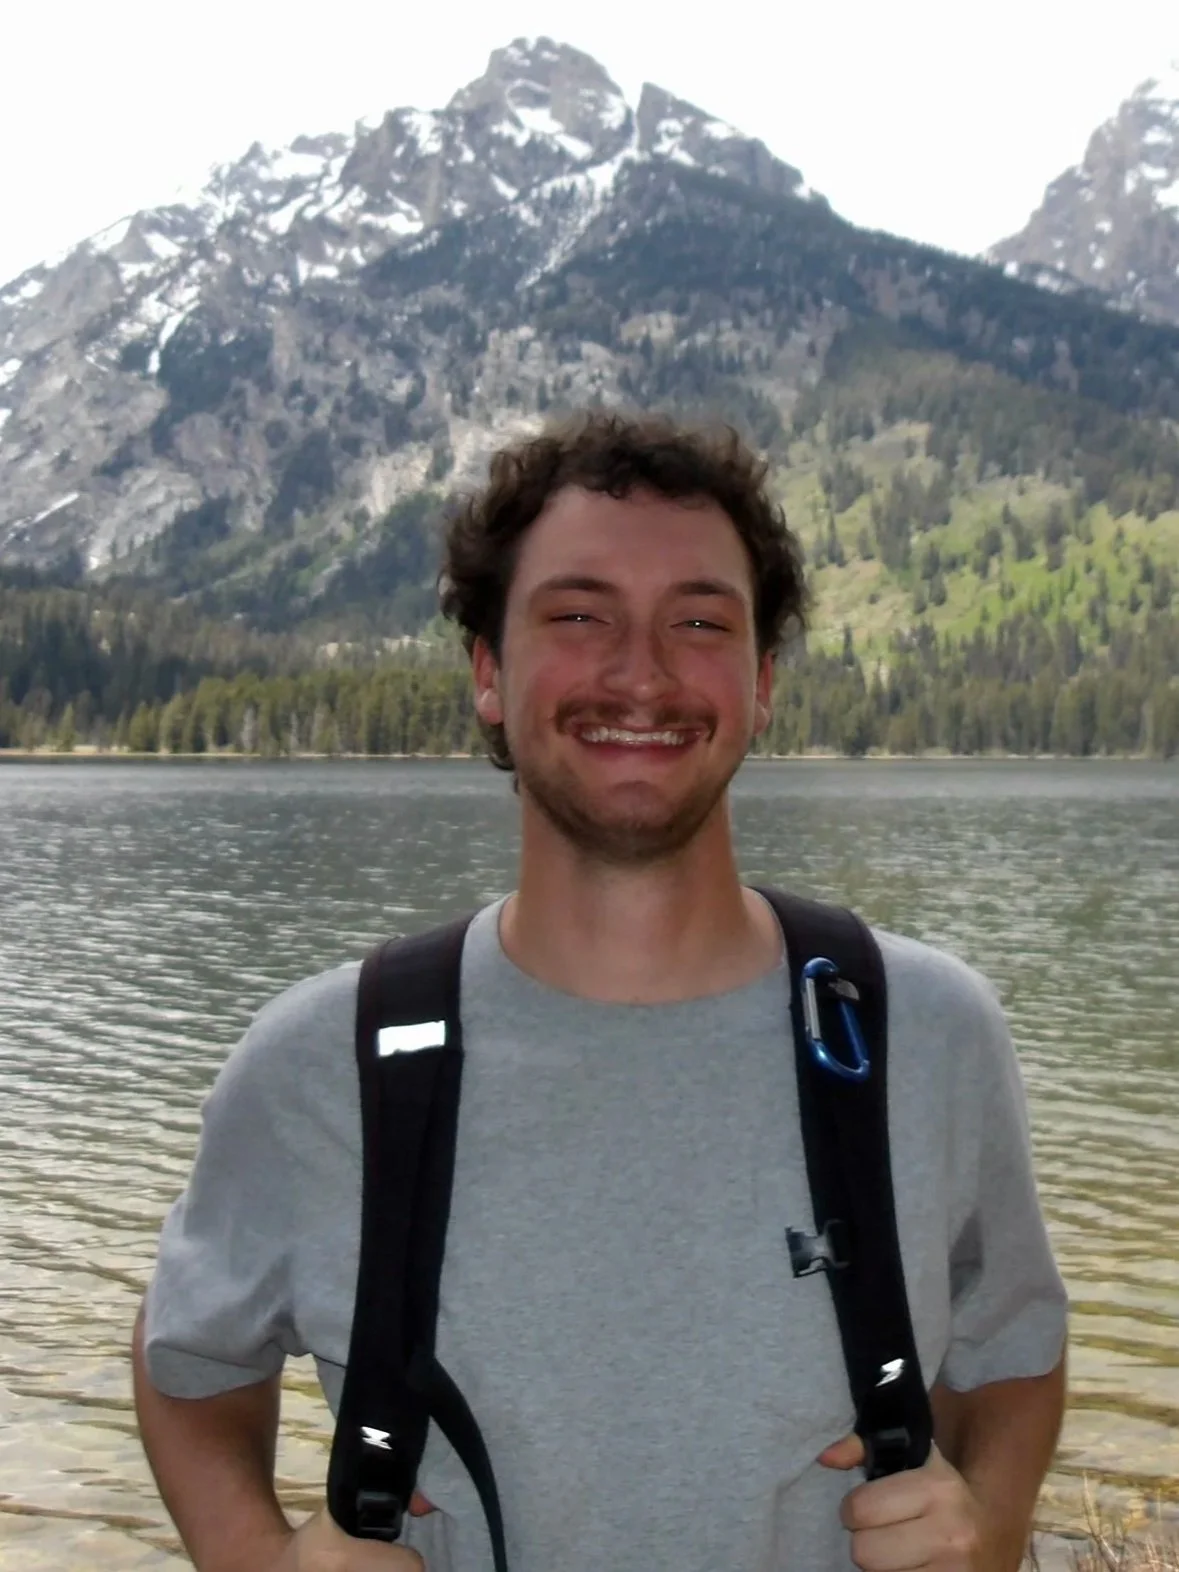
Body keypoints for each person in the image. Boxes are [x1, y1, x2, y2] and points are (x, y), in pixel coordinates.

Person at [132, 411, 1069, 1572]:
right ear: (489, 672)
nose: (642, 672)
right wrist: (258, 1557)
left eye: (700, 621)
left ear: (762, 684)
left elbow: (1015, 1349)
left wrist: (992, 1525)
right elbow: (188, 1366)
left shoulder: (921, 1033)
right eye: (579, 616)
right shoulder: (319, 1063)